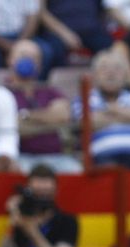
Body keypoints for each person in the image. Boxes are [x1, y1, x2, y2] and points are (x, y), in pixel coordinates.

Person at [71, 48, 130, 168]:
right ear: (95, 75)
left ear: (126, 76)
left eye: (117, 68)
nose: (111, 73)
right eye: (104, 68)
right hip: (102, 158)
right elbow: (88, 122)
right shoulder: (83, 99)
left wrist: (110, 111)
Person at [6, 38, 78, 172]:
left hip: (56, 157)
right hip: (20, 157)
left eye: (34, 57)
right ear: (10, 60)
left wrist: (25, 115)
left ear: (40, 65)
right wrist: (47, 120)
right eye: (23, 55)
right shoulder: (2, 93)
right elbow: (11, 126)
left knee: (75, 171)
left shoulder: (50, 91)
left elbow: (63, 116)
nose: (28, 60)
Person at [0, 163, 78, 247]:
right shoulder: (22, 218)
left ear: (56, 191)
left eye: (47, 192)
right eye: (38, 193)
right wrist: (12, 222)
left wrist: (32, 230)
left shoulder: (67, 221)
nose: (43, 198)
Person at [38, 0, 115, 70]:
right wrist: (64, 33)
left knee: (110, 51)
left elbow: (105, 8)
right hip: (57, 31)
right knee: (53, 50)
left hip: (91, 29)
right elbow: (41, 11)